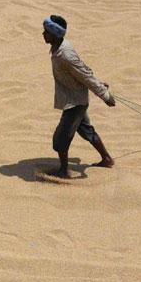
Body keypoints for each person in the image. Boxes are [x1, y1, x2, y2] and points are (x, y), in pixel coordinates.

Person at [42, 15, 116, 178]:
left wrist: (104, 94)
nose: (43, 34)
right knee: (86, 130)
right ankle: (107, 158)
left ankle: (64, 171)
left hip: (74, 103)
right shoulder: (58, 48)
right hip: (73, 98)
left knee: (61, 138)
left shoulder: (65, 54)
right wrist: (98, 83)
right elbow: (84, 71)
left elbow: (84, 75)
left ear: (54, 34)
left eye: (46, 32)